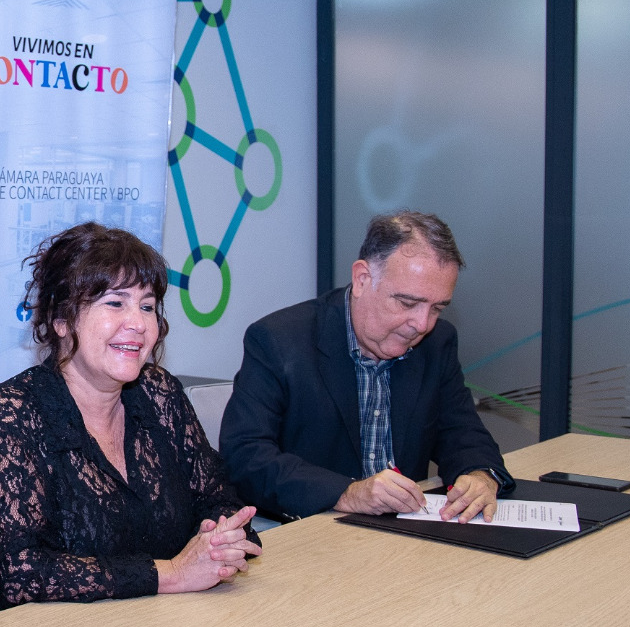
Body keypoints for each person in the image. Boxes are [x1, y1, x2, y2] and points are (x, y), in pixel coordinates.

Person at [0, 223, 260, 626]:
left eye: (147, 306)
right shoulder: (12, 413)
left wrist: (219, 539)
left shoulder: (160, 394)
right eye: (115, 303)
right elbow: (14, 574)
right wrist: (171, 574)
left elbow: (216, 496)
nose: (139, 323)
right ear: (61, 320)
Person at [219, 211, 514, 523]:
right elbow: (245, 458)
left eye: (437, 308)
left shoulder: (437, 342)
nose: (422, 324)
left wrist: (479, 474)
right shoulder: (279, 340)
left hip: (403, 533)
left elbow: (461, 429)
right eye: (408, 303)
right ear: (362, 279)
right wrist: (346, 492)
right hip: (312, 527)